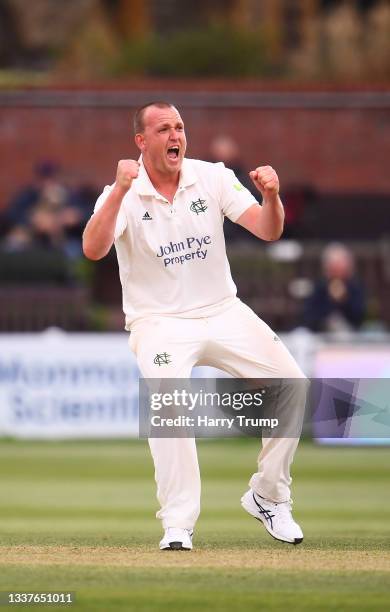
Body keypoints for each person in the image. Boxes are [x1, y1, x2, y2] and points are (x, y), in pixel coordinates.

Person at [83, 102, 306, 551]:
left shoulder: (213, 177)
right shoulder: (121, 192)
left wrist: (272, 197)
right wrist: (120, 190)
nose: (175, 136)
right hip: (159, 322)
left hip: (223, 310)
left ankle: (268, 495)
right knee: (169, 403)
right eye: (163, 129)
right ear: (141, 142)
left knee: (294, 386)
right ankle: (178, 523)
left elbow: (267, 230)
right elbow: (92, 248)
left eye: (180, 127)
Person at [301, 242, 366, 332]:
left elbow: (359, 316)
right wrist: (330, 300)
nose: (337, 270)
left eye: (340, 265)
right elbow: (310, 317)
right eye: (333, 266)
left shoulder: (355, 288)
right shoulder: (319, 288)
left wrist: (343, 299)